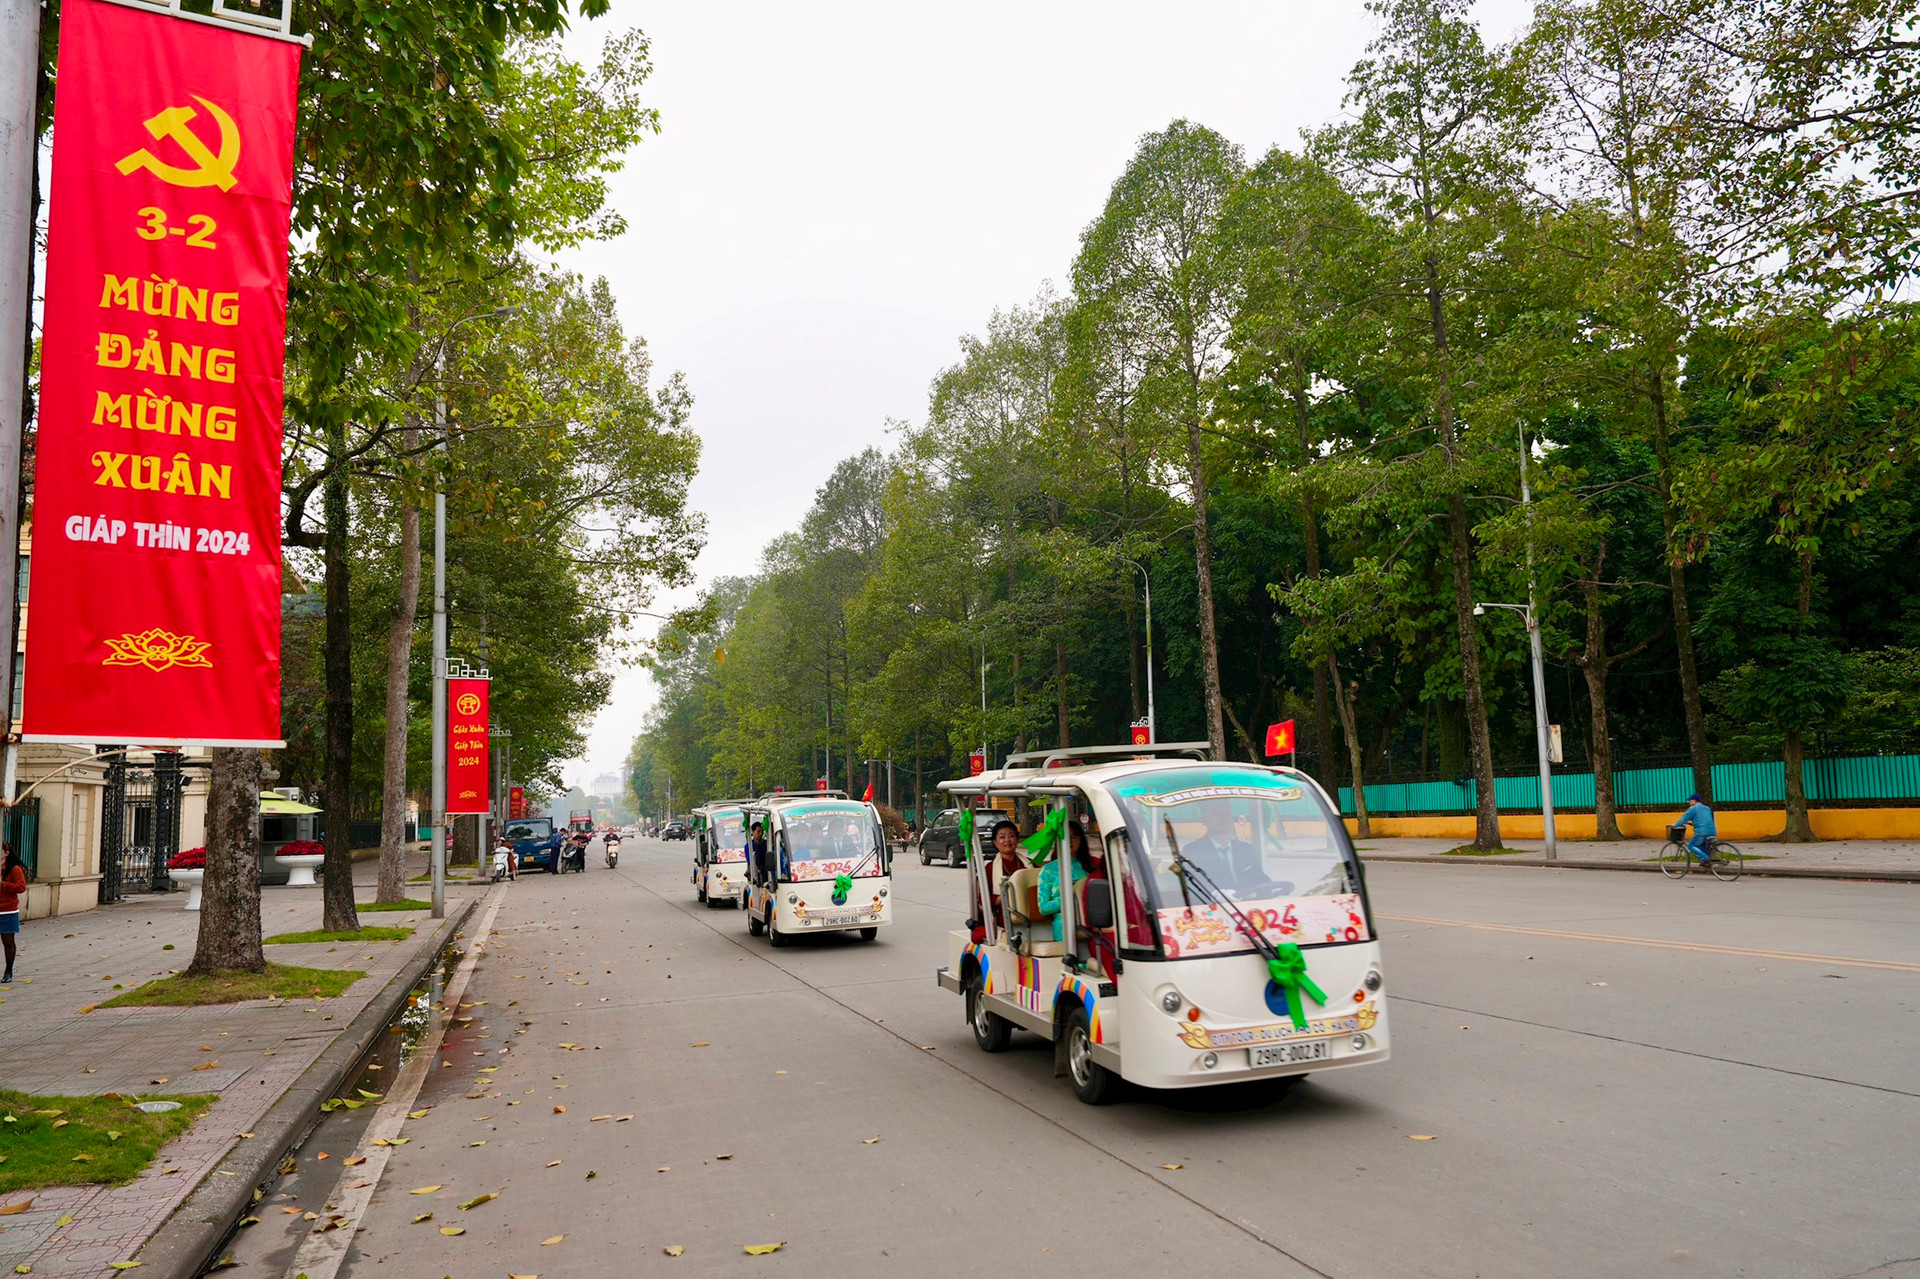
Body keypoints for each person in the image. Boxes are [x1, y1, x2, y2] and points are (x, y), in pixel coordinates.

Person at [1036, 820, 1098, 942]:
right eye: (1064, 837)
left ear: (1080, 840)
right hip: (1064, 923)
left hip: (1092, 919)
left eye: (1074, 837)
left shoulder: (1091, 866)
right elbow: (1043, 908)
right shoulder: (1048, 870)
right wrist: (1069, 896)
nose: (1070, 841)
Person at [0, 842, 24, 984]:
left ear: (6, 852)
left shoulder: (14, 870)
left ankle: (8, 971)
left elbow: (21, 887)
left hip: (7, 910)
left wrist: (2, 884)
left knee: (8, 941)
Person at [1676, 793, 1717, 867]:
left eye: (1690, 800)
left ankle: (1705, 858)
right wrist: (1693, 823)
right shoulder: (1707, 808)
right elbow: (1703, 819)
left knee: (1691, 846)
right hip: (1712, 831)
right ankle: (1706, 864)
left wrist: (1675, 825)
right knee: (1701, 847)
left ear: (1694, 801)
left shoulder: (1693, 808)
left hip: (1701, 833)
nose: (1689, 802)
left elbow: (1683, 819)